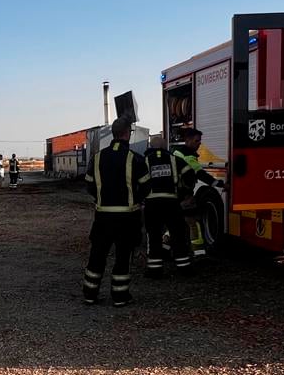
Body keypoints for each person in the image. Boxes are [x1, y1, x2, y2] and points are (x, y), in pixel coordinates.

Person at [81, 119, 148, 306]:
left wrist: (100, 199)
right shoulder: (135, 158)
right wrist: (137, 200)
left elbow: (89, 185)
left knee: (97, 255)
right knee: (123, 256)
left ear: (113, 133)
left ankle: (90, 294)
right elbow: (146, 187)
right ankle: (120, 296)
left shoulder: (97, 157)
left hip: (103, 217)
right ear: (127, 133)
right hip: (127, 217)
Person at [142, 136, 192, 276]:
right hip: (172, 203)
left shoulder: (144, 161)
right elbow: (189, 174)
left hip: (152, 205)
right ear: (165, 147)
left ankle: (155, 270)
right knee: (178, 235)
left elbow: (137, 182)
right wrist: (185, 192)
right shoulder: (174, 159)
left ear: (150, 147)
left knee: (154, 237)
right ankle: (184, 268)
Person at [173, 125, 216, 258]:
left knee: (178, 222)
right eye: (197, 141)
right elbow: (199, 173)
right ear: (188, 140)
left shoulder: (177, 152)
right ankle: (199, 253)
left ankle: (165, 246)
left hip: (176, 193)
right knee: (193, 223)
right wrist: (217, 183)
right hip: (184, 194)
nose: (199, 144)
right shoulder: (187, 155)